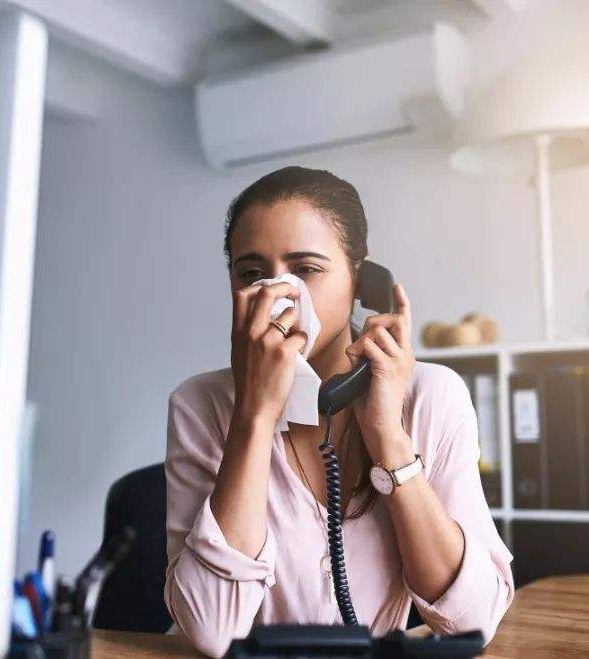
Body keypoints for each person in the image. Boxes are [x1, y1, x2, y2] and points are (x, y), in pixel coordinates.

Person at [163, 166, 514, 657]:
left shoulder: (434, 396)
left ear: (361, 282)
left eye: (306, 269)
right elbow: (211, 631)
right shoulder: (199, 405)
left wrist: (387, 436)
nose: (278, 293)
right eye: (251, 273)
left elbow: (473, 621)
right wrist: (255, 415)